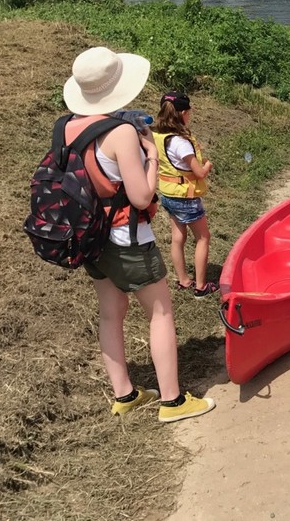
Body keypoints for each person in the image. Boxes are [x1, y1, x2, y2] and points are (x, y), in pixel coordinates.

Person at [62, 46, 215, 423]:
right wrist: (148, 153)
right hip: (125, 235)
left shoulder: (67, 126)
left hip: (89, 234)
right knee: (161, 312)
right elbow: (143, 195)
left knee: (110, 314)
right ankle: (173, 401)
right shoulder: (121, 133)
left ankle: (124, 394)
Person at [152, 91, 217, 297]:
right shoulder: (180, 142)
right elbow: (198, 172)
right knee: (203, 237)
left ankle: (183, 280)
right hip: (185, 196)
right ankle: (200, 286)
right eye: (188, 112)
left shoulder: (156, 136)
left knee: (178, 237)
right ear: (182, 113)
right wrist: (207, 165)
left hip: (168, 194)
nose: (190, 116)